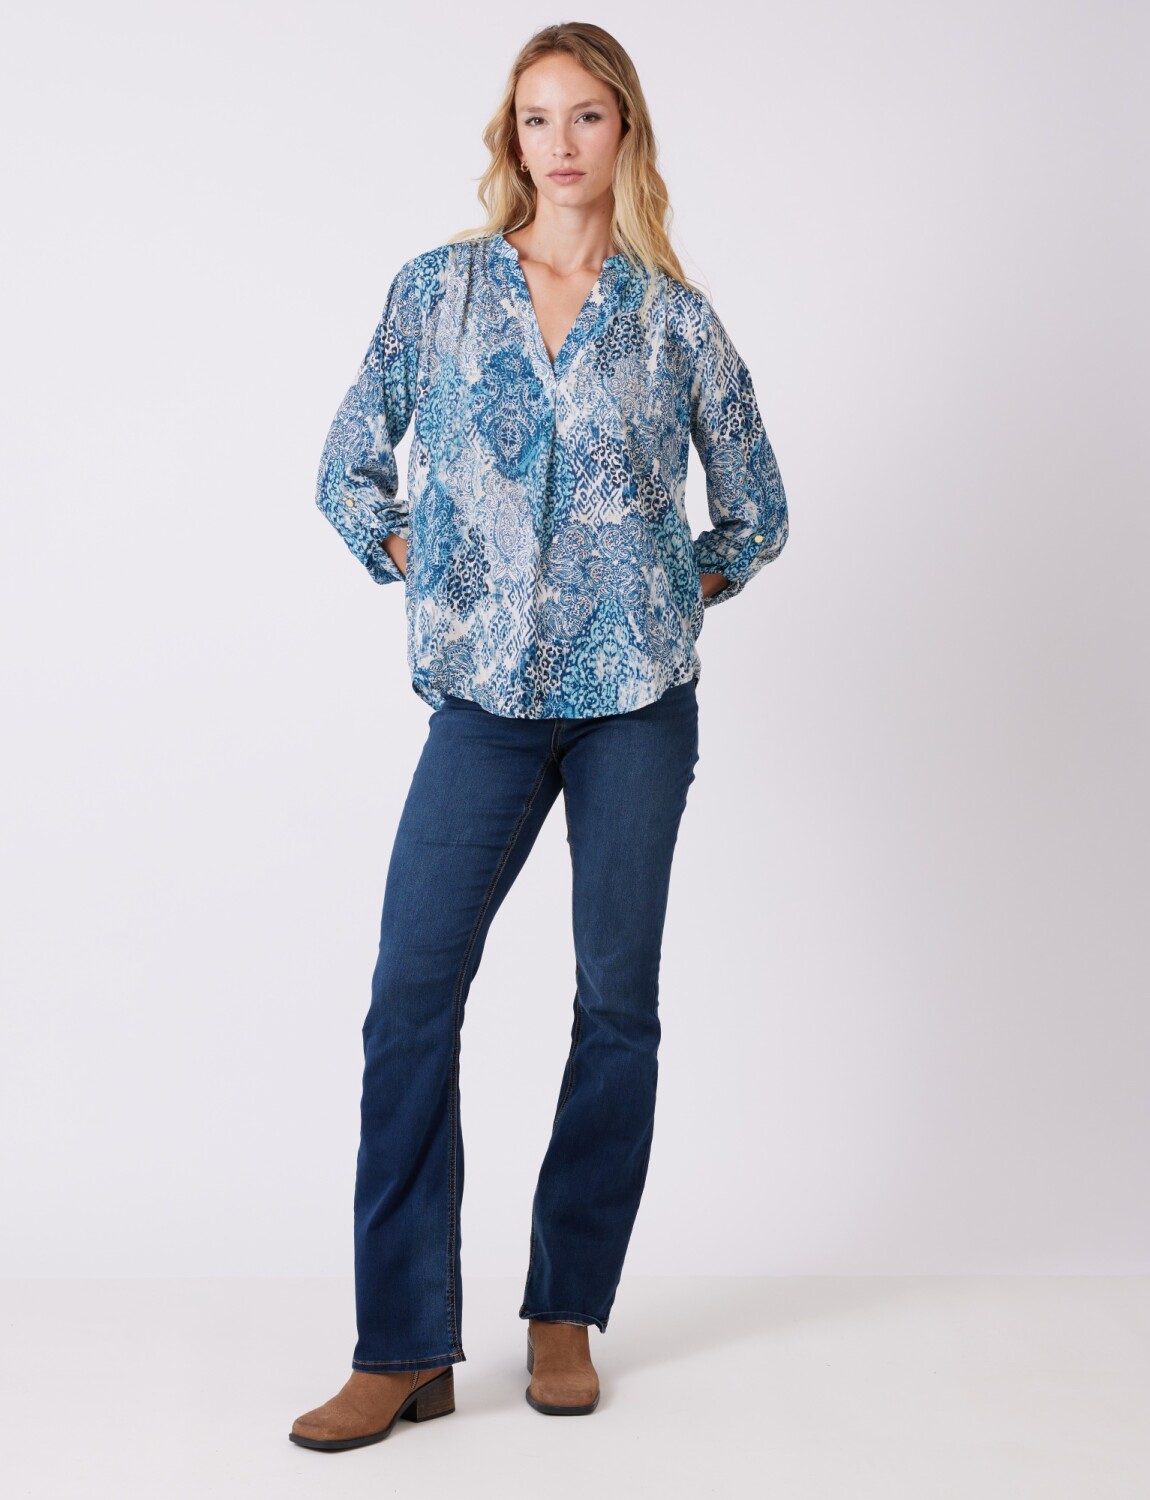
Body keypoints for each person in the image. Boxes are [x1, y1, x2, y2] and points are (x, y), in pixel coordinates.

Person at [289, 21, 788, 1452]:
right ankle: (402, 1346)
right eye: (534, 118)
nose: (558, 144)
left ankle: (564, 1311)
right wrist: (426, 567)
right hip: (484, 710)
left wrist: (663, 591)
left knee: (614, 1005)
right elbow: (346, 467)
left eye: (585, 117)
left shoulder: (675, 321)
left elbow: (755, 508)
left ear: (625, 133)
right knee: (409, 999)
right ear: (509, 139)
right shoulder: (439, 291)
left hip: (637, 710)